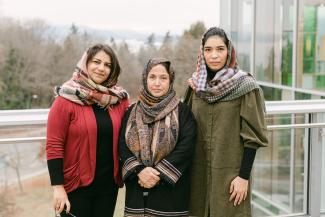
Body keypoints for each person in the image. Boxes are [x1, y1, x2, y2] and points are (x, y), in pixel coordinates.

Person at [187, 27, 268, 217]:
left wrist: (243, 177)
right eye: (208, 50)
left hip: (230, 177)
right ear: (202, 53)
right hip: (197, 176)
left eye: (220, 49)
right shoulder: (195, 87)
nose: (214, 55)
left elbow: (253, 138)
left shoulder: (245, 87)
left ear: (229, 51)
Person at [46, 43, 129, 217]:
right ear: (85, 63)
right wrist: (58, 187)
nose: (101, 68)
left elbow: (128, 137)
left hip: (108, 186)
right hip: (75, 186)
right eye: (96, 62)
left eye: (108, 65)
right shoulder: (66, 98)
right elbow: (54, 145)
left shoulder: (118, 100)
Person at [119, 57, 197, 217]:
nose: (157, 83)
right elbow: (122, 145)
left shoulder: (183, 112)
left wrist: (156, 175)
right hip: (137, 192)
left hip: (171, 196)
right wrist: (140, 171)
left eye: (163, 78)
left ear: (171, 80)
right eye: (152, 77)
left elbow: (186, 148)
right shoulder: (131, 112)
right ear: (145, 79)